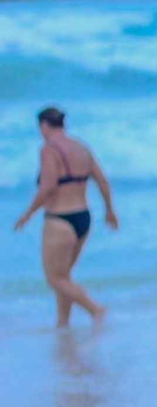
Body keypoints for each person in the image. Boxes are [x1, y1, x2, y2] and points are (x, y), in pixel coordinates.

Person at [12, 107, 119, 326]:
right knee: (64, 276)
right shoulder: (81, 147)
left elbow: (48, 187)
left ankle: (96, 310)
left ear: (44, 125)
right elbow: (102, 180)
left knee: (55, 278)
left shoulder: (49, 150)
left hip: (59, 219)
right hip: (83, 217)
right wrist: (109, 210)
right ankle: (63, 324)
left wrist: (27, 214)